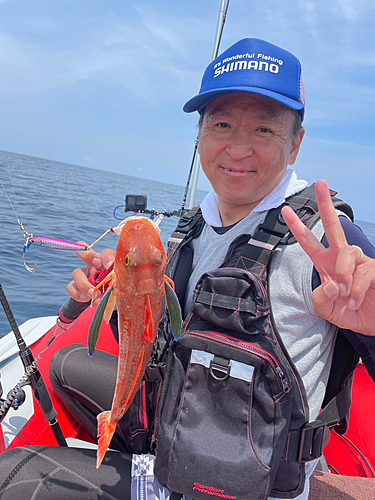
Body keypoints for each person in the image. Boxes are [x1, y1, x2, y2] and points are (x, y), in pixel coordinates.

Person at [0, 38, 375, 500]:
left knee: (13, 476)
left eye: (263, 130)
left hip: (245, 483)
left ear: (295, 143)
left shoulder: (329, 243)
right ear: (198, 137)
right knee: (60, 366)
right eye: (221, 125)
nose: (238, 149)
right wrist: (103, 296)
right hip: (179, 427)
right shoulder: (190, 228)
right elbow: (163, 335)